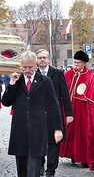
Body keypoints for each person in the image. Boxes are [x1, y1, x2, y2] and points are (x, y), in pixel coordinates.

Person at [2, 50, 63, 177]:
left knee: (34, 166)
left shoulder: (45, 81)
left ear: (36, 64)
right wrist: (11, 83)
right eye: (24, 67)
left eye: (30, 67)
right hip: (20, 129)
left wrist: (58, 129)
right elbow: (6, 102)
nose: (27, 70)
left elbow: (53, 106)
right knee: (21, 166)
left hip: (38, 129)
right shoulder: (16, 80)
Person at [36, 49, 73, 177]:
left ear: (48, 59)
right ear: (36, 59)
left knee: (54, 142)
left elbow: (65, 94)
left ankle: (51, 170)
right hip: (38, 114)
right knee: (38, 140)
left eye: (44, 58)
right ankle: (39, 165)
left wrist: (69, 113)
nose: (42, 60)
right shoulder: (33, 73)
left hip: (53, 113)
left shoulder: (57, 73)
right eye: (40, 57)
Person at [60, 50, 93, 167]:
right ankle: (72, 154)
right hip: (68, 107)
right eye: (75, 62)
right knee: (70, 132)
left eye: (78, 62)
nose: (76, 64)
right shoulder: (68, 74)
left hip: (82, 109)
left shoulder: (90, 76)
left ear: (84, 63)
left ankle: (84, 157)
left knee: (82, 133)